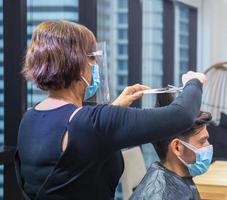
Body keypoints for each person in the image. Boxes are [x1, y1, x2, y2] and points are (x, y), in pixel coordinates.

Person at [16, 20, 206, 200]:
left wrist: (115, 108)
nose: (95, 65)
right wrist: (194, 82)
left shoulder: (30, 118)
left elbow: (76, 158)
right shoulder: (91, 122)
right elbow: (181, 116)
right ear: (76, 64)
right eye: (92, 57)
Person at [130, 93, 212, 200]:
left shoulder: (178, 180)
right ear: (177, 147)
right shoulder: (159, 195)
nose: (208, 146)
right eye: (202, 141)